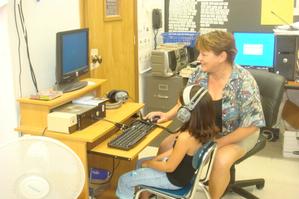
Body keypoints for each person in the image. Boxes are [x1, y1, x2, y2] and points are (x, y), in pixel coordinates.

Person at [145, 30, 265, 199]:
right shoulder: (199, 73)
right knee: (166, 145)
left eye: (204, 54)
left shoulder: (244, 82)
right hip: (204, 128)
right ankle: (160, 188)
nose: (199, 58)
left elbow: (251, 126)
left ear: (222, 56)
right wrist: (167, 115)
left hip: (238, 132)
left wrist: (217, 143)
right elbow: (186, 100)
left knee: (220, 160)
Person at [116, 85, 219, 199]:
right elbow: (176, 151)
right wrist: (156, 159)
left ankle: (139, 190)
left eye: (179, 106)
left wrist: (150, 164)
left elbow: (169, 167)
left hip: (172, 179)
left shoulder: (186, 137)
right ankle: (143, 194)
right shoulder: (204, 129)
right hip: (183, 174)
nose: (178, 109)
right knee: (140, 162)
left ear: (186, 112)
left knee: (124, 180)